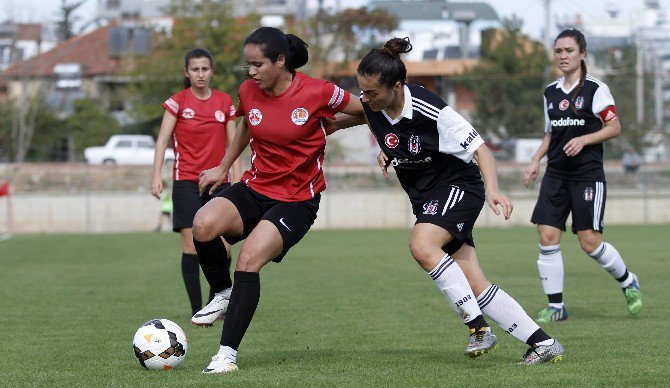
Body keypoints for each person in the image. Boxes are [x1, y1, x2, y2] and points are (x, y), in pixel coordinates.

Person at [333, 37, 564, 365]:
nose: (365, 98)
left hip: (458, 187)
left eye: (372, 93)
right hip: (427, 197)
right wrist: (319, 130)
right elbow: (358, 117)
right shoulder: (374, 105)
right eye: (362, 91)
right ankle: (543, 343)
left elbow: (481, 149)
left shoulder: (430, 108)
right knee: (475, 284)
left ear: (397, 86)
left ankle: (478, 330)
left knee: (422, 245)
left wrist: (494, 190)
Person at [191, 27, 364, 373]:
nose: (251, 72)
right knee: (203, 225)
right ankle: (222, 293)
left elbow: (368, 109)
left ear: (280, 61)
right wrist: (222, 167)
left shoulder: (318, 91)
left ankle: (226, 355)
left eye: (257, 65)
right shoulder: (248, 90)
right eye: (247, 66)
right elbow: (246, 125)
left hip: (298, 200)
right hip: (256, 186)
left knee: (249, 259)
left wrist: (335, 126)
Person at [524, 28, 642, 323]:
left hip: (587, 175)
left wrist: (585, 139)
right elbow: (550, 133)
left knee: (589, 242)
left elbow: (614, 127)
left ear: (582, 54)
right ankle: (556, 308)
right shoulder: (550, 92)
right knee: (547, 235)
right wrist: (537, 159)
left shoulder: (595, 89)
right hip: (556, 174)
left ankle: (628, 281)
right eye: (558, 51)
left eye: (569, 51)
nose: (563, 56)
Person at [151, 48, 240, 318]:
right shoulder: (177, 103)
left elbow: (235, 145)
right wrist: (156, 175)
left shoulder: (224, 102)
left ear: (212, 71)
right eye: (195, 69)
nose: (200, 74)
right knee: (190, 245)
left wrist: (237, 180)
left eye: (205, 69)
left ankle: (218, 301)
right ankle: (196, 308)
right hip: (186, 182)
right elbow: (162, 140)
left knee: (223, 245)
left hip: (218, 183)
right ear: (186, 72)